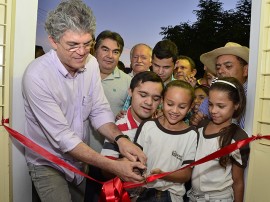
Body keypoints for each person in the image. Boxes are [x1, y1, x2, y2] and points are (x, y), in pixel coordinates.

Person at [22, 1, 146, 202]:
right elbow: (63, 137)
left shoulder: (91, 63)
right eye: (72, 45)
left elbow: (99, 109)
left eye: (87, 43)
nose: (82, 52)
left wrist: (121, 140)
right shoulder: (37, 76)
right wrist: (113, 165)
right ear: (53, 41)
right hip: (48, 162)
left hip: (79, 162)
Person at [84, 71, 164, 202]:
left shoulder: (162, 125)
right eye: (143, 95)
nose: (149, 102)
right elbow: (106, 171)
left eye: (156, 99)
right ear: (130, 92)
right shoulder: (118, 129)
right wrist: (122, 164)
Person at [134, 80, 199, 202]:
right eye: (170, 104)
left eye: (182, 107)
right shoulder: (148, 126)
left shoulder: (191, 135)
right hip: (142, 192)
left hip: (171, 195)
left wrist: (163, 174)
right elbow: (135, 159)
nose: (174, 111)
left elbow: (186, 174)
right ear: (162, 101)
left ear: (190, 107)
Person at [188, 77, 250, 202]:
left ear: (236, 105)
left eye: (221, 106)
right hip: (193, 196)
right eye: (210, 104)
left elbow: (238, 182)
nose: (213, 111)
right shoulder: (201, 126)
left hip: (220, 198)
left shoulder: (238, 137)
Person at [191, 42, 249, 129]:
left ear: (245, 70)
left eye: (228, 66)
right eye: (218, 67)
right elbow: (198, 120)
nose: (220, 71)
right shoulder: (210, 98)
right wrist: (198, 120)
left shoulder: (259, 98)